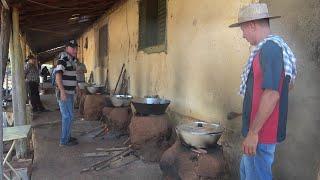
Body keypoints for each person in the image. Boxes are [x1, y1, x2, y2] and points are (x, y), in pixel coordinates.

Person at [229, 3, 297, 180]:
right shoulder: (265, 50)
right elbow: (285, 86)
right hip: (257, 132)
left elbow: (272, 94)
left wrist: (253, 133)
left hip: (261, 135)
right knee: (247, 173)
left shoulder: (270, 49)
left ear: (252, 25)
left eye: (243, 29)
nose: (243, 35)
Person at [54, 40, 79, 146]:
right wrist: (62, 91)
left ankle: (67, 137)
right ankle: (64, 141)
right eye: (72, 47)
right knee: (67, 116)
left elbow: (72, 75)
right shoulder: (63, 60)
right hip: (64, 93)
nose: (75, 50)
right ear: (66, 48)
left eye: (76, 47)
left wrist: (76, 86)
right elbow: (58, 77)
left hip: (70, 92)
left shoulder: (72, 60)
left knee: (70, 116)